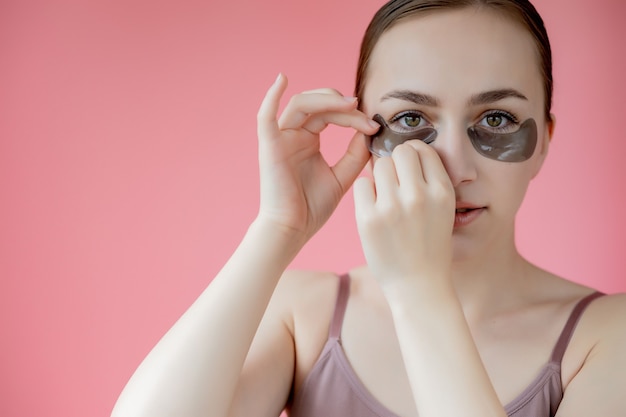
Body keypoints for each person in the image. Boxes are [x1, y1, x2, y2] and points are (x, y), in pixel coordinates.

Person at [111, 1, 626, 416]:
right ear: (363, 133)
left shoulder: (607, 335)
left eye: (496, 119)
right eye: (408, 117)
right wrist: (277, 228)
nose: (453, 169)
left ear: (545, 142)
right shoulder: (303, 317)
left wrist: (419, 290)